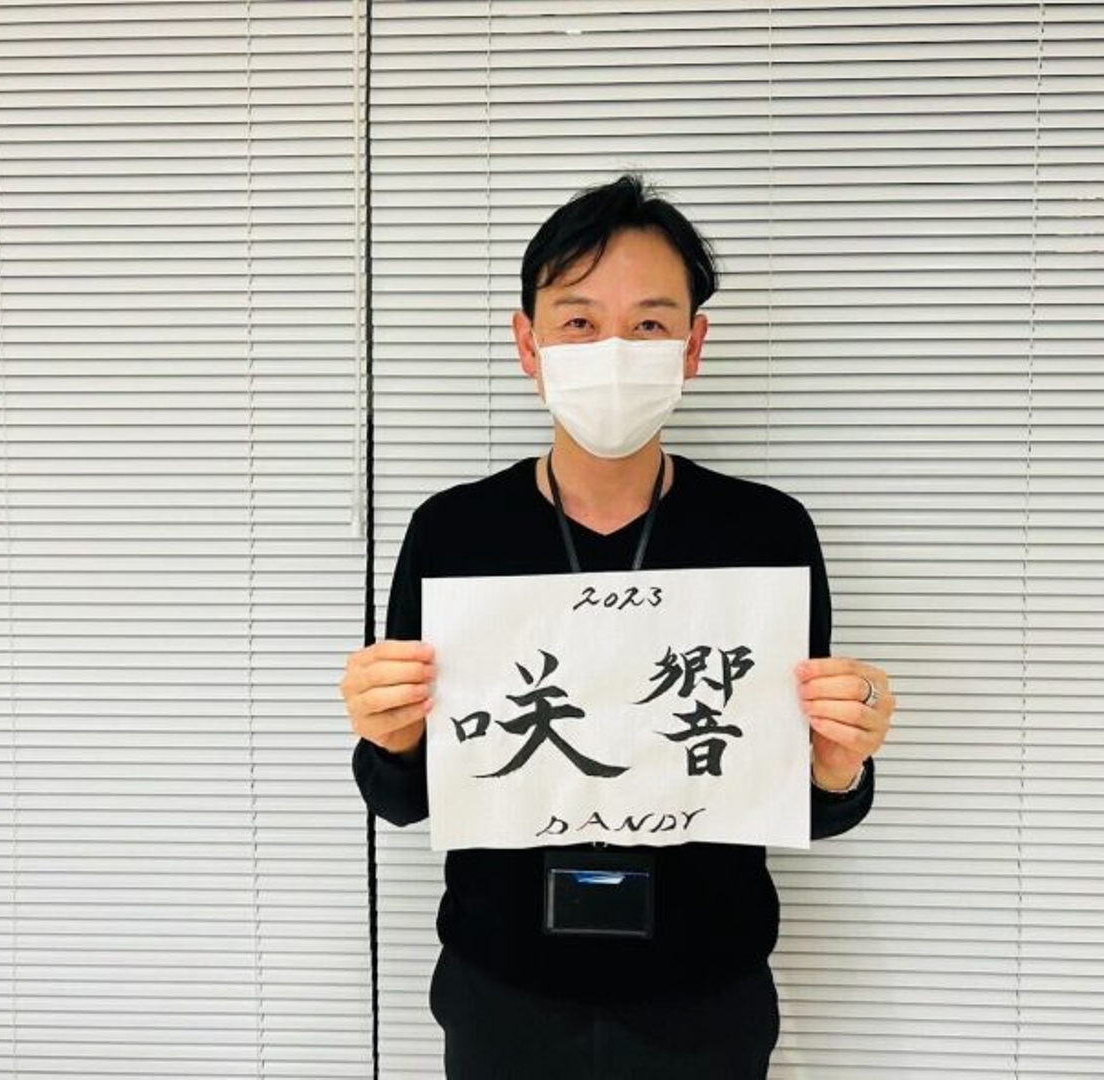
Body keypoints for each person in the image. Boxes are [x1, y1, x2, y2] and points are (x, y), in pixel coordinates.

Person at [342, 173, 896, 1079]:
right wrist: (390, 734)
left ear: (693, 345)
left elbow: (801, 795)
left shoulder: (764, 533)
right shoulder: (454, 532)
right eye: (578, 321)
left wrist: (840, 765)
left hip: (707, 991)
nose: (613, 351)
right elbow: (403, 800)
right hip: (503, 987)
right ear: (528, 343)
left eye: (648, 324)